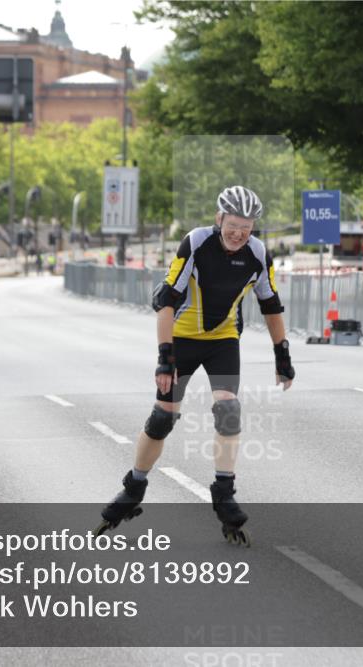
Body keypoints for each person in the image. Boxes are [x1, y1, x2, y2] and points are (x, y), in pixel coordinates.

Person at [94, 185, 295, 547]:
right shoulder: (196, 242)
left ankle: (224, 491)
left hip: (222, 341)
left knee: (229, 410)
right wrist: (165, 358)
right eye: (233, 225)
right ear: (219, 219)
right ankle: (134, 487)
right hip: (182, 339)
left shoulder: (257, 253)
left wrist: (283, 355)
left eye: (246, 227)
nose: (238, 234)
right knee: (162, 419)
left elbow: (271, 304)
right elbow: (166, 298)